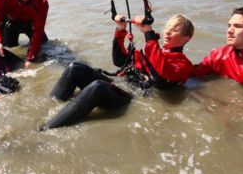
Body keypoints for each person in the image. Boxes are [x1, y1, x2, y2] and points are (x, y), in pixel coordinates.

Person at [40, 14, 195, 130]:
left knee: (97, 86)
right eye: (167, 28)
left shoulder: (183, 64)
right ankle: (48, 108)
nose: (168, 32)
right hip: (118, 84)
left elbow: (160, 77)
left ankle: (46, 130)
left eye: (175, 30)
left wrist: (149, 34)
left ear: (185, 39)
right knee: (75, 68)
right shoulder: (152, 50)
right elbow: (120, 61)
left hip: (129, 96)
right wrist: (120, 30)